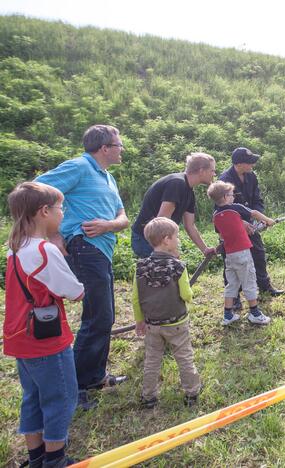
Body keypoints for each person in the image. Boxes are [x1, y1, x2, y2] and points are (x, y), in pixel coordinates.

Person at [35, 124, 130, 410]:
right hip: (84, 248)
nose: (122, 149)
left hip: (103, 250)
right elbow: (36, 191)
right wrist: (53, 233)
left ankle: (95, 377)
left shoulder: (109, 178)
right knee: (96, 317)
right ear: (104, 148)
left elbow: (123, 217)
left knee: (105, 316)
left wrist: (109, 225)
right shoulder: (79, 167)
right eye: (118, 145)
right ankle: (74, 389)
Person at [3, 182, 84, 468]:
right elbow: (74, 291)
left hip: (20, 338)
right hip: (46, 341)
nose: (63, 214)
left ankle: (36, 457)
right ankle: (55, 459)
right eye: (61, 208)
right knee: (61, 398)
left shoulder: (15, 248)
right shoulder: (45, 250)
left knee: (34, 397)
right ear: (44, 211)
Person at [132, 217, 201, 408]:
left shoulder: (140, 267)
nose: (178, 240)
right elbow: (186, 293)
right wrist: (190, 297)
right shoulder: (178, 266)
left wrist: (139, 321)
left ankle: (149, 396)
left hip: (152, 323)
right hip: (176, 323)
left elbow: (136, 298)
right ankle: (192, 392)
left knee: (152, 360)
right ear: (166, 240)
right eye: (176, 237)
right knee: (184, 356)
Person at [219, 147, 285, 307]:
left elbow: (257, 200)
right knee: (233, 262)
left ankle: (265, 286)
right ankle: (234, 298)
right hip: (232, 227)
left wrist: (259, 220)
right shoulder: (224, 181)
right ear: (239, 164)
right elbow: (222, 208)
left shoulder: (251, 176)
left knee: (259, 254)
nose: (252, 165)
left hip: (252, 222)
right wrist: (241, 222)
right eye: (250, 163)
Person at [208, 181, 276, 325]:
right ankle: (255, 313)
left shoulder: (215, 216)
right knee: (249, 281)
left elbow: (221, 235)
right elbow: (254, 213)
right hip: (243, 254)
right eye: (232, 195)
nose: (234, 197)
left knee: (231, 284)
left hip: (229, 255)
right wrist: (268, 220)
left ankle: (228, 315)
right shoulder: (235, 208)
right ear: (226, 196)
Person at [131, 152, 217, 258]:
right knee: (164, 272)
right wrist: (171, 250)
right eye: (212, 170)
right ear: (201, 171)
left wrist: (205, 249)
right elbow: (161, 221)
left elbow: (190, 226)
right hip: (146, 239)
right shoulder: (177, 184)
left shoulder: (189, 192)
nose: (214, 174)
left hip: (161, 239)